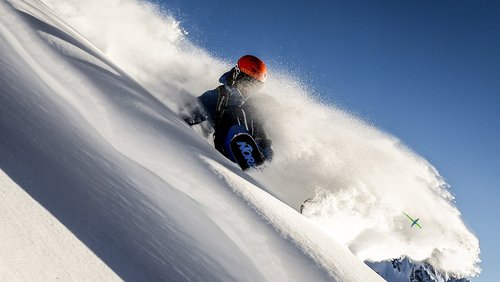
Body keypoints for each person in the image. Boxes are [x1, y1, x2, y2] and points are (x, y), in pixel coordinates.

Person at [183, 55, 273, 164]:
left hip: (251, 154)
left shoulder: (253, 105)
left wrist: (267, 158)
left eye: (254, 85)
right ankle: (241, 148)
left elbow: (262, 136)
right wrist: (183, 116)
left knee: (255, 119)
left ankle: (253, 159)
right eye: (246, 81)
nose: (249, 87)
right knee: (233, 113)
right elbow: (192, 111)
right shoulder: (218, 95)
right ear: (237, 74)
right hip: (224, 148)